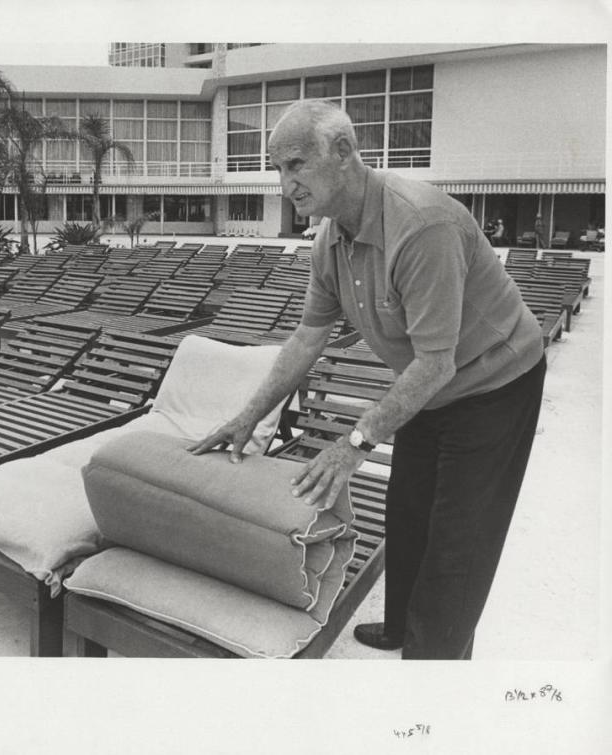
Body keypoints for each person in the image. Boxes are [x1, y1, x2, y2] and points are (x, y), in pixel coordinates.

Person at [188, 100, 546, 660]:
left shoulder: (422, 226)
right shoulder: (330, 241)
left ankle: (433, 669)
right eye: (279, 169)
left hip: (495, 385)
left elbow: (436, 364)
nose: (286, 185)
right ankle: (401, 625)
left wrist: (354, 443)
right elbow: (307, 337)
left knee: (459, 541)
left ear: (344, 153)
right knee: (408, 513)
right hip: (429, 385)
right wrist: (246, 416)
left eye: (297, 165)